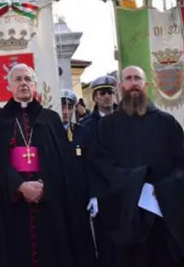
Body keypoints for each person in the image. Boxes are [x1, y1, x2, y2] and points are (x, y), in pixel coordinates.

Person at [0, 63, 97, 267]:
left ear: (35, 85)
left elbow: (63, 163)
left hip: (48, 203)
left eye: (28, 79)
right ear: (9, 85)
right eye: (18, 79)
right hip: (10, 206)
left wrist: (43, 186)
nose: (23, 84)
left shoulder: (50, 118)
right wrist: (19, 186)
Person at [89, 66, 184, 267]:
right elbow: (100, 166)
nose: (133, 83)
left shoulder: (166, 122)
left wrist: (161, 188)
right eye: (128, 79)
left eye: (138, 78)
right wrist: (135, 183)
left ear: (146, 85)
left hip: (164, 212)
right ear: (120, 85)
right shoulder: (106, 126)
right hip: (125, 214)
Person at [81, 75, 119, 267]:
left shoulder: (127, 119)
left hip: (127, 186)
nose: (107, 97)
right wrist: (92, 194)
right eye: (102, 93)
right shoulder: (86, 126)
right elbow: (87, 163)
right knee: (106, 244)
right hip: (102, 191)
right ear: (95, 97)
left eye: (110, 92)